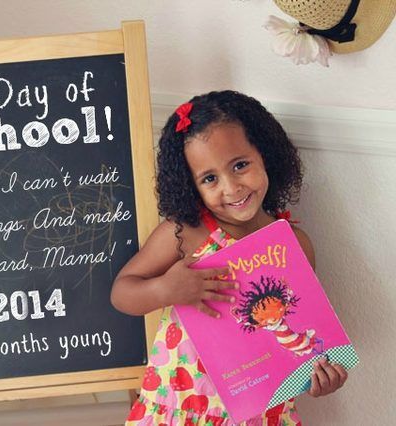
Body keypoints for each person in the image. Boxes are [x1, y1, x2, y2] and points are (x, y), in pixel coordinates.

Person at [111, 91, 348, 426]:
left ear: (265, 155)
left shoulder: (292, 245)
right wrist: (166, 289)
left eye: (240, 165)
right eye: (210, 178)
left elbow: (302, 329)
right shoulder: (184, 234)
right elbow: (122, 292)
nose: (232, 187)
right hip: (181, 409)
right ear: (191, 185)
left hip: (263, 413)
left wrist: (321, 376)